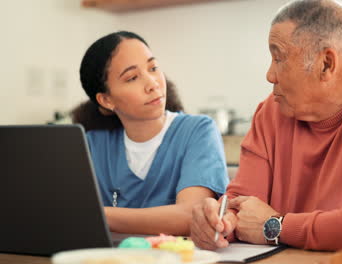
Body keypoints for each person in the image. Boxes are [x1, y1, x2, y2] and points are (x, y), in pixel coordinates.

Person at [190, 0, 342, 250]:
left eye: (278, 58)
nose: (269, 75)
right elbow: (242, 206)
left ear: (326, 64)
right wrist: (220, 221)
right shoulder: (271, 111)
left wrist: (277, 226)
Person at [76, 31, 229, 236]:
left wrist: (96, 214)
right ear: (106, 100)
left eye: (153, 68)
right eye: (132, 78)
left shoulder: (198, 131)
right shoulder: (91, 146)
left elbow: (191, 216)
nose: (153, 83)